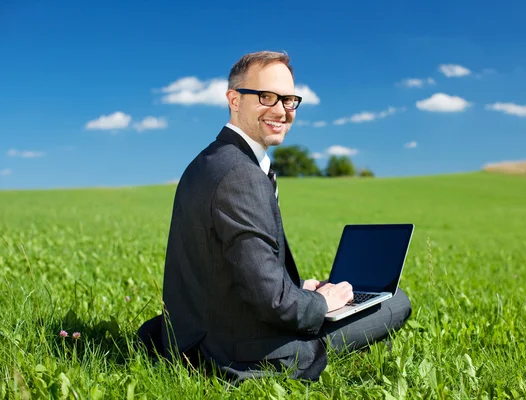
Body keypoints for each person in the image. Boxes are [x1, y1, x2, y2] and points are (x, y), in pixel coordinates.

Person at [137, 51, 412, 382]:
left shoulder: (206, 162)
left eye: (290, 100)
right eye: (266, 97)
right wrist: (320, 303)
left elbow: (234, 268)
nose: (281, 110)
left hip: (194, 334)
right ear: (234, 100)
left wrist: (299, 287)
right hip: (233, 353)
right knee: (395, 300)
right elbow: (276, 303)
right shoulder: (242, 175)